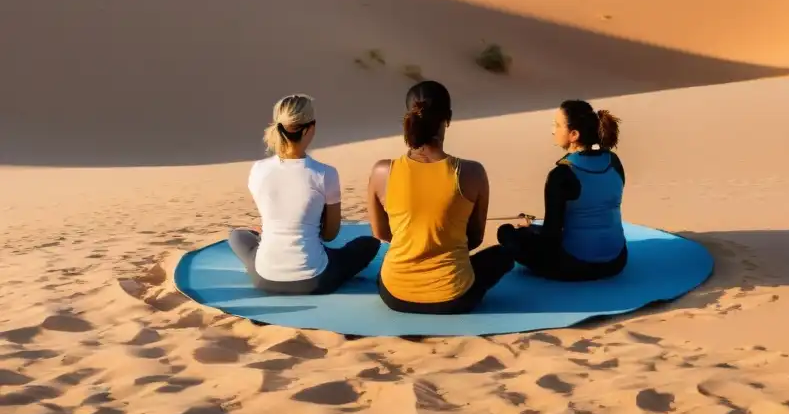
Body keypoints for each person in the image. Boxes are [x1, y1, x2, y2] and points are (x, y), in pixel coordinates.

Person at [367, 80, 514, 314]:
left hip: (395, 295)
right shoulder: (472, 172)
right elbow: (474, 239)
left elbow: (381, 233)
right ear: (449, 118)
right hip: (454, 297)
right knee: (503, 256)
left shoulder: (382, 172)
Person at [228, 94, 381, 295]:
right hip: (315, 279)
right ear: (310, 128)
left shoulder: (258, 169)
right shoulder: (325, 173)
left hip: (264, 277)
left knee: (236, 236)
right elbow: (329, 234)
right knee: (369, 244)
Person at [497, 99, 627, 281]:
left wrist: (531, 231)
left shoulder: (562, 174)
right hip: (617, 261)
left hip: (575, 266)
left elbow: (551, 237)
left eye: (557, 126)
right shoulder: (613, 162)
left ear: (573, 134)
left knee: (506, 233)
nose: (553, 131)